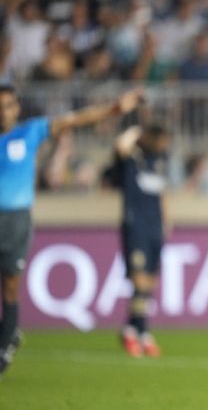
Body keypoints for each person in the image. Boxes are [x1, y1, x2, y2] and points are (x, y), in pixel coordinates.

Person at [0, 84, 144, 377]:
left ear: (17, 108)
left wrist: (115, 109)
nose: (4, 112)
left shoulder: (29, 132)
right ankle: (10, 332)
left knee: (11, 286)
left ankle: (5, 346)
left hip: (15, 220)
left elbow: (76, 119)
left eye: (9, 105)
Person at [113, 123, 171, 358]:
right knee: (138, 281)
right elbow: (120, 145)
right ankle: (143, 333)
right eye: (161, 140)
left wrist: (166, 221)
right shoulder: (132, 162)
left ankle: (130, 329)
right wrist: (136, 130)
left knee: (149, 282)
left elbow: (163, 194)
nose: (164, 145)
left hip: (154, 228)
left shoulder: (160, 163)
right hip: (135, 227)